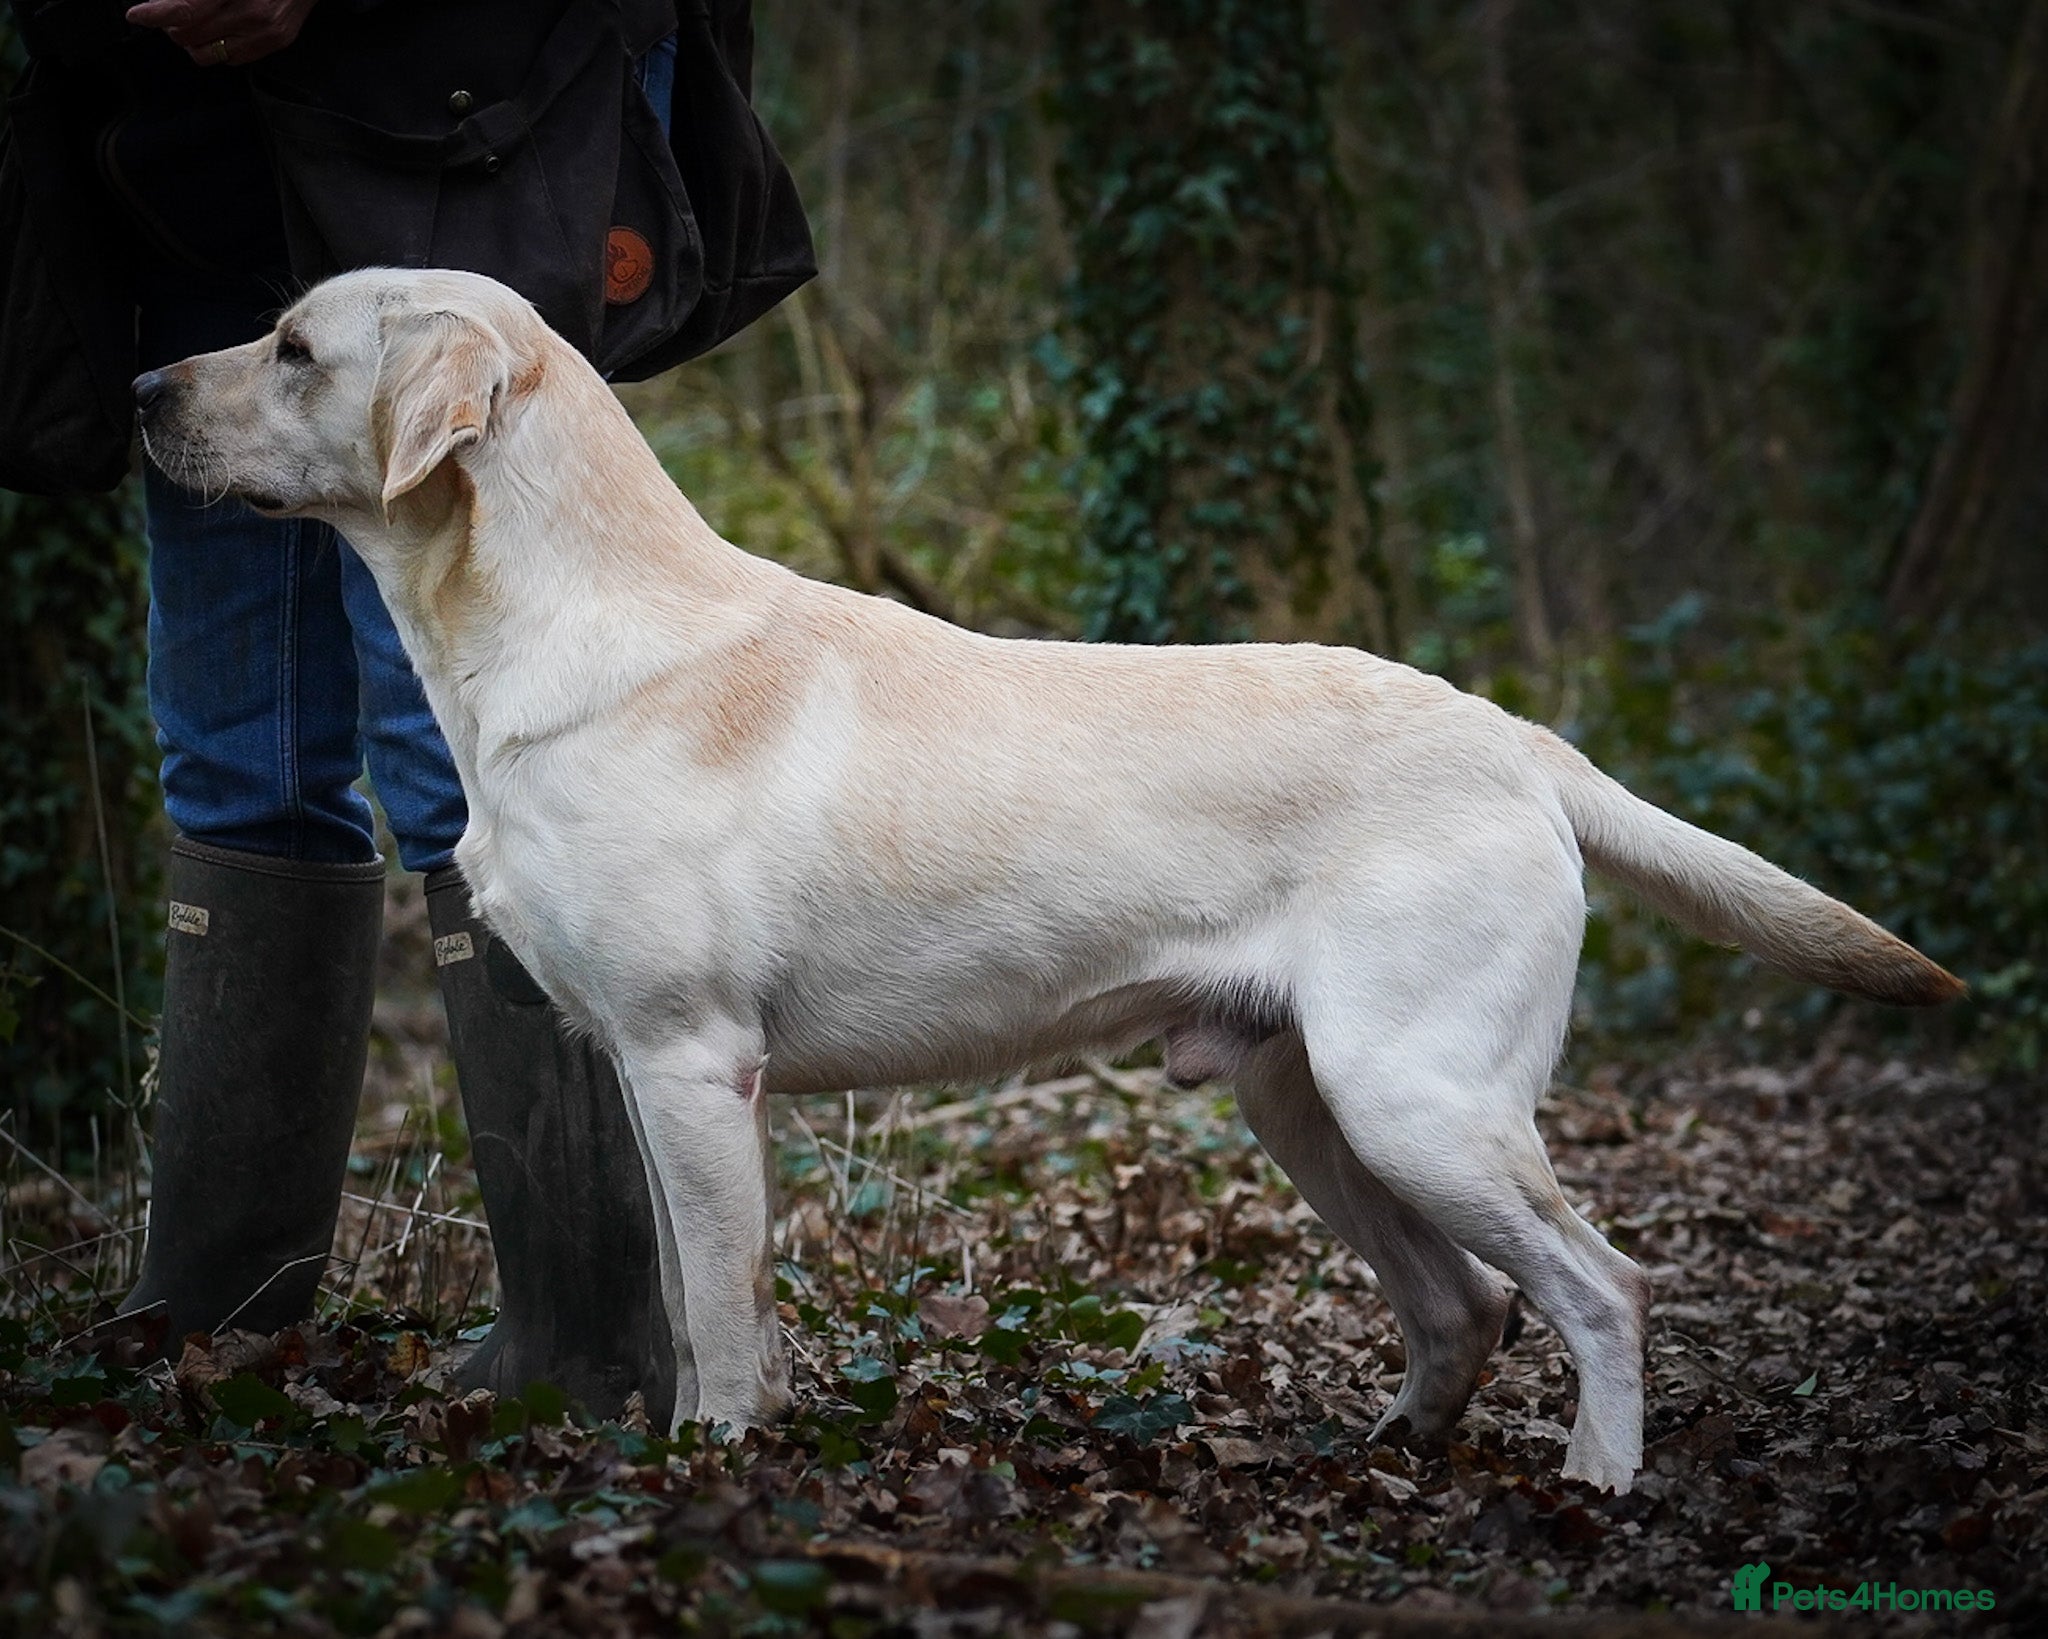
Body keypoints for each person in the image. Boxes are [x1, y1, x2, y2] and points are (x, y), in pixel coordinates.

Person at [0, 0, 813, 1422]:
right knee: (234, 765)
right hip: (186, 173)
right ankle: (215, 1323)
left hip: (461, 121)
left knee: (480, 767)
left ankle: (593, 1336)